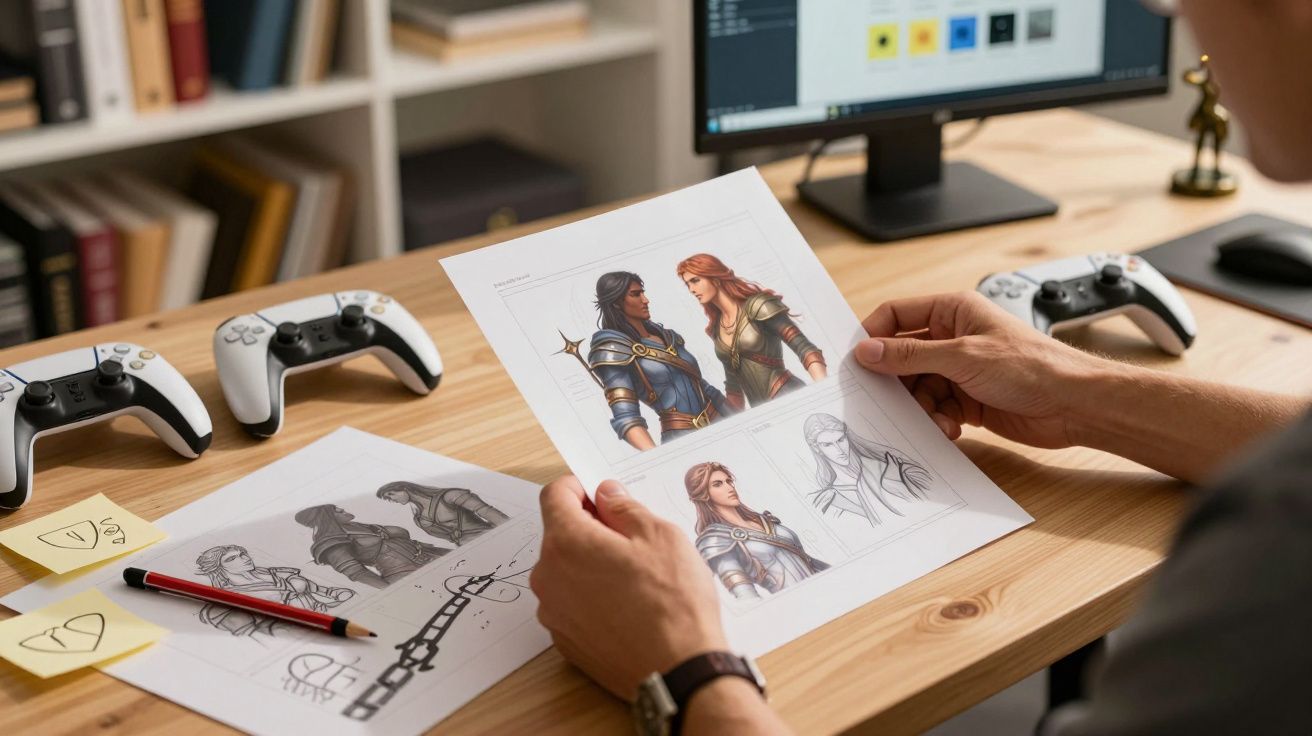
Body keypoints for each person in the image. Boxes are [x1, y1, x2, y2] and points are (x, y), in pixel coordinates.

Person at [529, 3, 1312, 732]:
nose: (1173, 17)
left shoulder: (1271, 554)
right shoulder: (648, 341)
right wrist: (1079, 397)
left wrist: (687, 674)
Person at [583, 271, 731, 450]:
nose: (645, 300)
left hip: (722, 422)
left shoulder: (669, 337)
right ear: (615, 303)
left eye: (643, 293)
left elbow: (704, 388)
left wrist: (740, 417)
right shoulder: (614, 350)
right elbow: (627, 418)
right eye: (636, 294)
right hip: (682, 439)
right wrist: (659, 458)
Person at [677, 254, 826, 409]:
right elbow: (734, 388)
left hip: (789, 393)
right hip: (762, 411)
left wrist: (825, 390)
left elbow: (805, 348)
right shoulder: (717, 328)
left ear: (714, 277)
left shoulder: (759, 305)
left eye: (695, 281)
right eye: (688, 285)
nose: (692, 290)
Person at [685, 461, 828, 599]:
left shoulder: (765, 520)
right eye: (717, 484)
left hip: (826, 589)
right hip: (798, 603)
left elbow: (809, 561)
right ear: (703, 494)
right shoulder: (715, 540)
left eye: (729, 481)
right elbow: (746, 596)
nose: (730, 488)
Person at [193, 544, 354, 638]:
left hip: (338, 616)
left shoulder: (276, 573)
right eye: (232, 558)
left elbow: (324, 591)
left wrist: (340, 595)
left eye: (243, 554)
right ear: (218, 568)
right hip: (303, 634)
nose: (245, 558)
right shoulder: (229, 597)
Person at [804, 412, 931, 525]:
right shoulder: (827, 500)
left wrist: (893, 482)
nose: (839, 449)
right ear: (816, 448)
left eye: (841, 439)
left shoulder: (888, 467)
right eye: (828, 445)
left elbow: (924, 504)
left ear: (847, 437)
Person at [294, 504, 446, 589]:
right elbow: (356, 572)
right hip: (405, 574)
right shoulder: (329, 542)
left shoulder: (356, 526)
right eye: (335, 510)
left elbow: (400, 533)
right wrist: (392, 590)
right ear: (325, 517)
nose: (341, 509)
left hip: (431, 555)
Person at [376, 481, 509, 546]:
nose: (392, 499)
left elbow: (488, 512)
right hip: (468, 548)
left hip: (494, 538)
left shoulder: (450, 495)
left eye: (391, 494)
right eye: (388, 498)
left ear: (405, 488)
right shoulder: (418, 517)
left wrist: (514, 532)